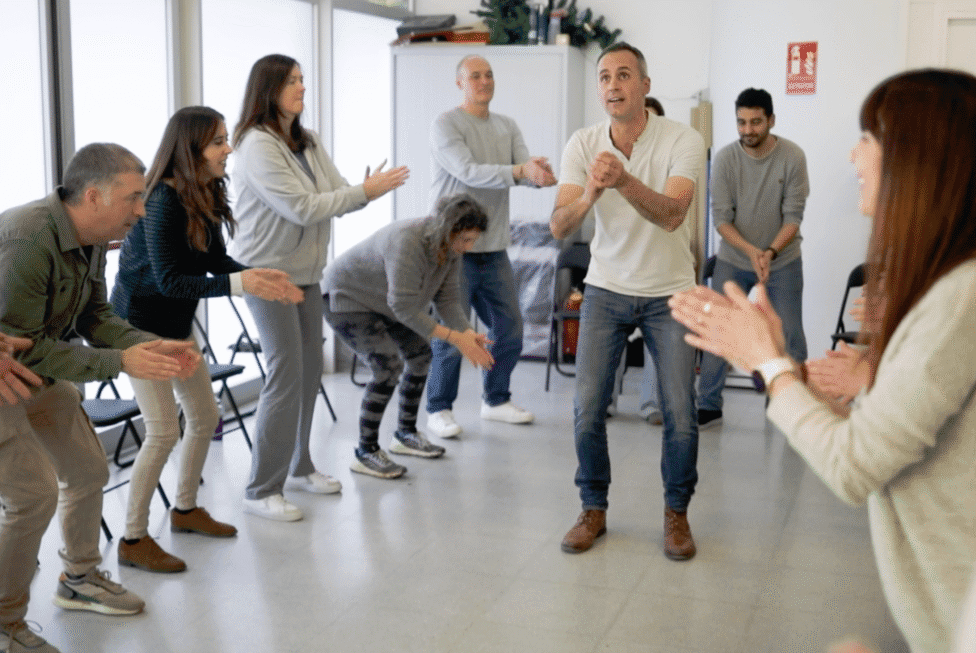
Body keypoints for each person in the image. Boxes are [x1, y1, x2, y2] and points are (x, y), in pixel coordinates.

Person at [670, 68, 976, 653]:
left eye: (869, 137)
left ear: (917, 160)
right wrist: (848, 374)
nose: (854, 154)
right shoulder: (952, 289)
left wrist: (769, 362)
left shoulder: (960, 298)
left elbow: (853, 467)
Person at [0, 143, 202, 653]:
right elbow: (17, 351)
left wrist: (144, 345)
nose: (141, 210)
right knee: (32, 495)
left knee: (89, 469)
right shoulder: (28, 239)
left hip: (41, 373)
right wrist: (120, 363)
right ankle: (4, 621)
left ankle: (80, 578)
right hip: (6, 375)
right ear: (93, 196)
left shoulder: (92, 238)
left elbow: (95, 317)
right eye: (134, 198)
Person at [110, 106, 304, 573]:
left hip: (175, 325)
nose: (228, 148)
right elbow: (172, 280)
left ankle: (185, 509)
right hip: (139, 330)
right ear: (190, 149)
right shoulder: (160, 201)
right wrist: (244, 285)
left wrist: (255, 275)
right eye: (218, 141)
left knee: (204, 415)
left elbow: (216, 262)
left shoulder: (206, 192)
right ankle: (133, 538)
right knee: (163, 430)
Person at [229, 54, 409, 522]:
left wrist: (362, 190)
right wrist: (363, 192)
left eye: (303, 80)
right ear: (268, 88)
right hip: (267, 274)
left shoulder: (305, 140)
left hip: (308, 274)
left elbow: (339, 194)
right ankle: (260, 488)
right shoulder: (256, 145)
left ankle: (298, 465)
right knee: (286, 373)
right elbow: (305, 207)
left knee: (309, 373)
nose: (302, 88)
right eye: (292, 81)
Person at [550, 43, 706, 560]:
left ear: (645, 85)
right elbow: (559, 225)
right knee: (587, 408)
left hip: (671, 293)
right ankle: (592, 508)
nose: (612, 85)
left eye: (623, 75)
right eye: (604, 77)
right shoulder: (583, 143)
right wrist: (592, 193)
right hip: (606, 288)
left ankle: (676, 515)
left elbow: (672, 214)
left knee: (681, 413)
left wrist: (624, 178)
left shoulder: (684, 139)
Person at [424, 54, 558, 439]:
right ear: (460, 84)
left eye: (489, 75)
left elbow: (521, 171)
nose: (484, 81)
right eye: (475, 76)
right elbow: (469, 171)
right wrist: (520, 171)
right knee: (454, 335)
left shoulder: (507, 126)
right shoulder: (446, 124)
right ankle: (439, 409)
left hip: (495, 248)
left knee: (511, 329)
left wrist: (538, 175)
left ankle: (495, 400)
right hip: (452, 252)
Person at [323, 194, 494, 479]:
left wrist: (468, 334)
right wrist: (454, 337)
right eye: (464, 239)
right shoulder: (408, 241)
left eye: (472, 240)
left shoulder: (451, 250)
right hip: (346, 298)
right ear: (446, 229)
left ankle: (405, 434)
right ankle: (365, 452)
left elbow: (448, 300)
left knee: (420, 355)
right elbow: (401, 305)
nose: (468, 248)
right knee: (387, 367)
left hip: (383, 303)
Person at [696, 87, 810, 429]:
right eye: (741, 122)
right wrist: (752, 252)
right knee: (720, 328)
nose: (748, 130)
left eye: (756, 122)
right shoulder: (727, 159)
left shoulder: (792, 157)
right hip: (734, 258)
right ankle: (709, 403)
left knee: (789, 333)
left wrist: (770, 252)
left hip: (784, 260)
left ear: (771, 120)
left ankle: (791, 403)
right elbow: (722, 220)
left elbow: (793, 216)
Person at [608, 95, 668, 425]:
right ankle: (607, 400)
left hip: (659, 270)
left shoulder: (673, 165)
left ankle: (651, 404)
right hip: (618, 270)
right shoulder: (612, 161)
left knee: (656, 345)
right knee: (611, 343)